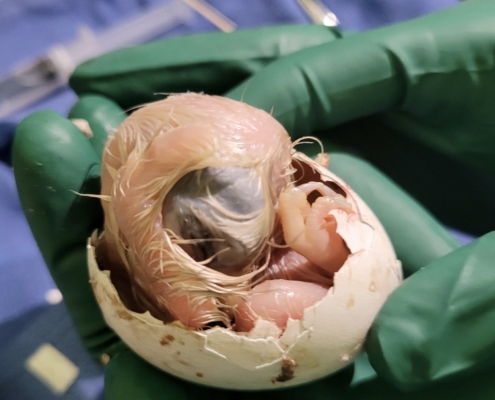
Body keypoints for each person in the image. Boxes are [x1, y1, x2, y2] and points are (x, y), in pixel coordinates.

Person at [13, 0, 495, 398]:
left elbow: (337, 257)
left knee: (274, 304)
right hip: (227, 314)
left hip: (305, 300)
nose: (217, 212)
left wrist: (322, 240)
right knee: (258, 308)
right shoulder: (143, 221)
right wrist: (202, 307)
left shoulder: (287, 206)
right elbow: (169, 297)